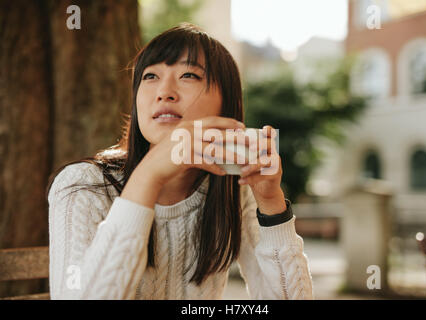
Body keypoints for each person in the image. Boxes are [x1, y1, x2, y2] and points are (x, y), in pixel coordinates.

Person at [47, 22, 313, 300]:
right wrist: (148, 176)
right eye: (150, 77)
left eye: (188, 74)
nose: (164, 91)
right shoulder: (82, 185)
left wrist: (271, 204)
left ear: (227, 104)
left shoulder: (234, 188)